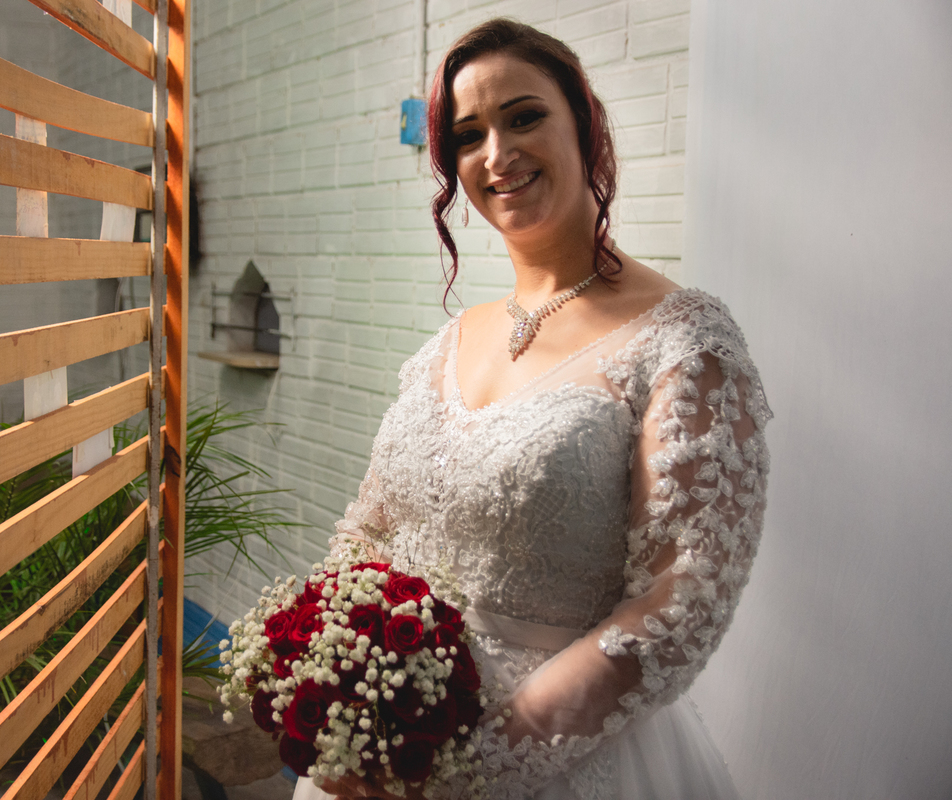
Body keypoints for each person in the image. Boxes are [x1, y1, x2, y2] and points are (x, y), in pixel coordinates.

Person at [294, 18, 770, 800]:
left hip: (550, 759)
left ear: (584, 126)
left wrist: (467, 769)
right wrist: (330, 678)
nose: (496, 154)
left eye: (523, 117)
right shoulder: (451, 341)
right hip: (379, 742)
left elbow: (679, 603)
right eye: (468, 134)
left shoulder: (684, 342)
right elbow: (371, 530)